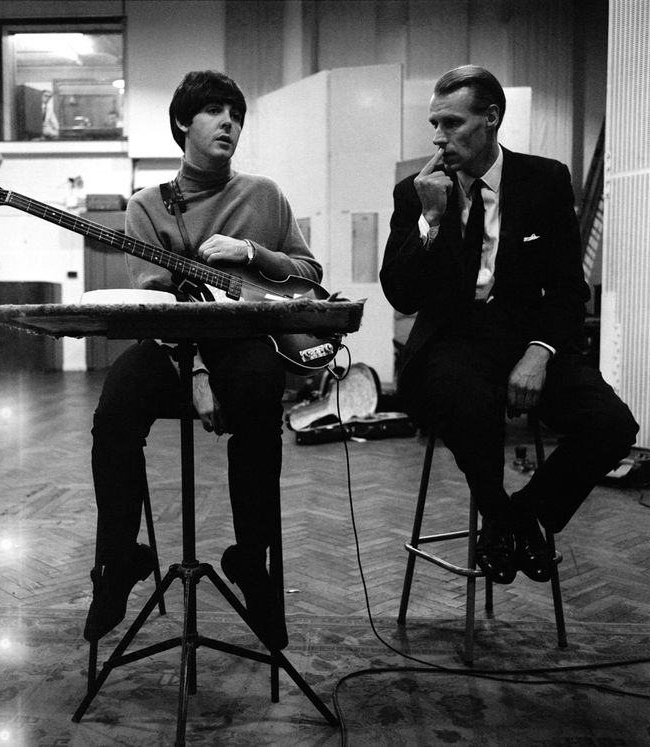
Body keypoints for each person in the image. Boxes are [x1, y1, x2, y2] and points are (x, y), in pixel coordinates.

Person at [84, 70, 322, 649]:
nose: (229, 123)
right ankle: (120, 563)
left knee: (261, 407)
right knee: (114, 413)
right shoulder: (145, 207)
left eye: (235, 114)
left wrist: (252, 252)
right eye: (214, 112)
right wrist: (193, 374)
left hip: (245, 347)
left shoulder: (264, 194)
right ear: (181, 125)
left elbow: (311, 275)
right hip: (171, 347)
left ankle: (251, 561)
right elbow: (156, 306)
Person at [380, 65, 638, 585]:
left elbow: (568, 288)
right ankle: (502, 518)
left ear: (491, 118)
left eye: (451, 123)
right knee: (466, 401)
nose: (438, 137)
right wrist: (430, 220)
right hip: (452, 340)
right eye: (434, 123)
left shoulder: (544, 180)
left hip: (527, 338)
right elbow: (401, 293)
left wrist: (540, 353)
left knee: (613, 424)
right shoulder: (418, 191)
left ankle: (516, 519)